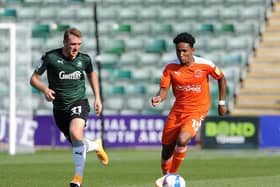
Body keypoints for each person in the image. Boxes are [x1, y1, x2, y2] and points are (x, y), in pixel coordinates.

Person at [30, 28, 109, 187]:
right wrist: (45, 89)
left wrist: (98, 98)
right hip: (59, 109)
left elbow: (91, 74)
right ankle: (95, 145)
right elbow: (34, 79)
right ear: (64, 42)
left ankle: (78, 178)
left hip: (79, 102)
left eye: (79, 44)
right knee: (77, 142)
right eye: (72, 44)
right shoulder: (50, 57)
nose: (76, 48)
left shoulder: (84, 59)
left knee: (75, 132)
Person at [151, 32, 227, 187]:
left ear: (193, 50)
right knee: (166, 150)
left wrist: (221, 102)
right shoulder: (170, 68)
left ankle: (172, 175)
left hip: (197, 110)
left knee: (182, 139)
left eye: (184, 51)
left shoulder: (205, 65)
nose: (181, 54)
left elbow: (221, 78)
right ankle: (167, 178)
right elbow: (164, 91)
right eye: (178, 51)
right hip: (177, 111)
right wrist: (159, 97)